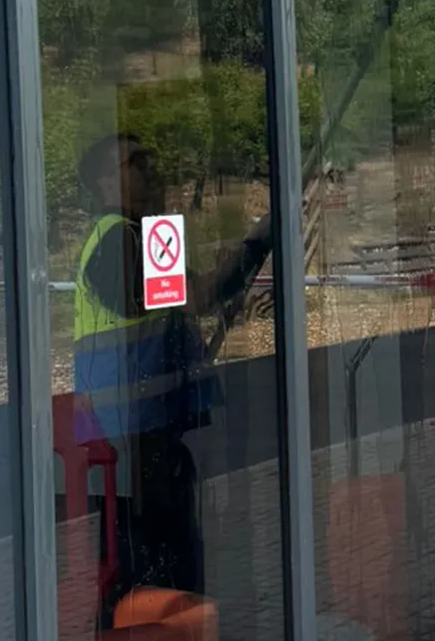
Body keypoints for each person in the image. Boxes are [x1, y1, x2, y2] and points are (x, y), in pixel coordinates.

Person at [72, 132, 273, 617]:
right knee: (154, 566)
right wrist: (259, 240)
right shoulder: (115, 243)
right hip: (130, 436)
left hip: (149, 430)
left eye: (150, 157)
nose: (149, 168)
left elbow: (192, 300)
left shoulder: (140, 237)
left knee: (156, 561)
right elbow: (199, 295)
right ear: (104, 181)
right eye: (134, 161)